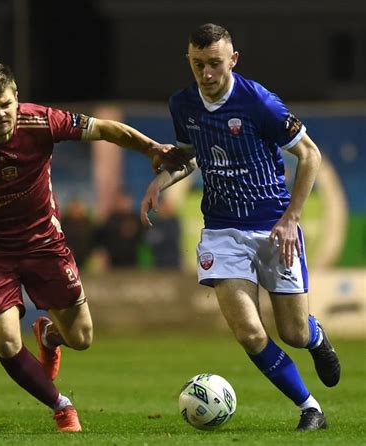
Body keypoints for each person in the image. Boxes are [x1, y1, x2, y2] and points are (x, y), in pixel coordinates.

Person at [0, 62, 181, 433]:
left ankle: (49, 335)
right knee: (5, 340)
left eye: (5, 104)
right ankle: (61, 406)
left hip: (44, 243)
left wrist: (150, 148)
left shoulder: (43, 121)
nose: (0, 114)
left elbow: (104, 128)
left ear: (16, 98)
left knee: (81, 338)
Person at [140, 23, 340, 431]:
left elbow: (310, 155)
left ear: (232, 60)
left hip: (273, 228)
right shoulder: (183, 104)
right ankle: (310, 408)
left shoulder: (258, 102)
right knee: (250, 333)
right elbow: (192, 155)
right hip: (222, 231)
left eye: (215, 63)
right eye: (198, 64)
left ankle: (316, 338)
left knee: (293, 333)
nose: (207, 73)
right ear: (189, 61)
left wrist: (291, 220)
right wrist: (161, 180)